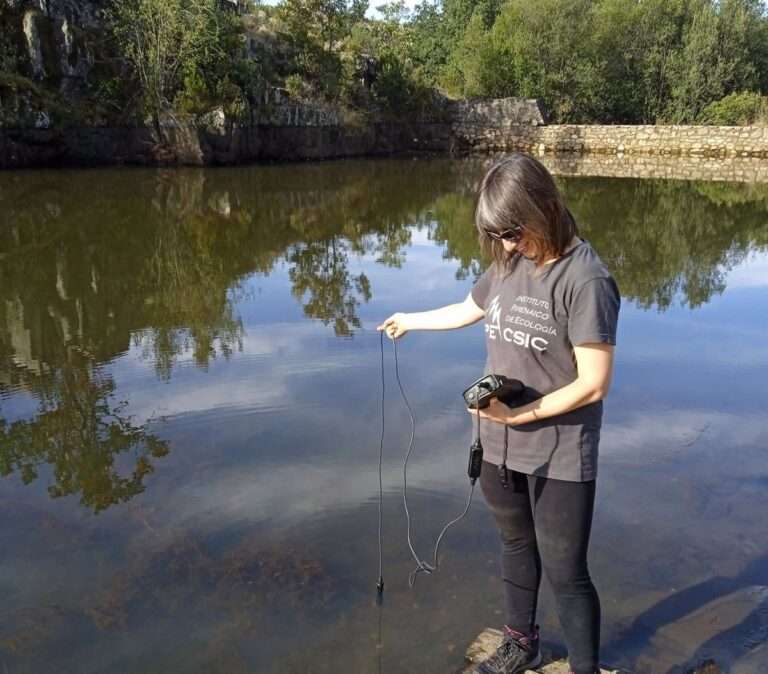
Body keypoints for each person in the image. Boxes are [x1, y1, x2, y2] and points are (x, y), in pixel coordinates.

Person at [377, 153, 620, 674]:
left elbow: (594, 382)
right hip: (498, 444)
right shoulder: (509, 263)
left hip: (559, 453)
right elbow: (470, 308)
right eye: (498, 235)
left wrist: (524, 415)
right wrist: (409, 320)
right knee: (514, 545)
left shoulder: (586, 280)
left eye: (512, 231)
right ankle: (521, 643)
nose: (506, 245)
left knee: (565, 569)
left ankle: (584, 668)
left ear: (543, 207)